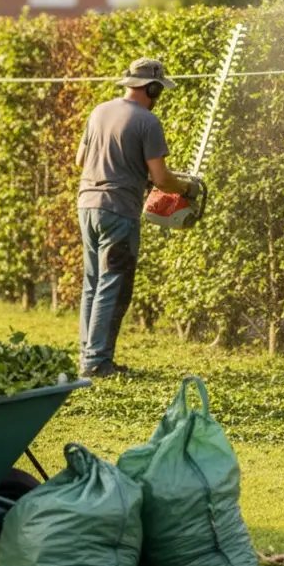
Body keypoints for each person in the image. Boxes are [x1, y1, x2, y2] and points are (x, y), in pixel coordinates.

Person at [75, 58, 197, 378]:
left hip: (87, 205)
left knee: (93, 282)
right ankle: (98, 362)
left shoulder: (99, 111)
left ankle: (88, 355)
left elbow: (80, 159)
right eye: (160, 90)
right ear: (152, 88)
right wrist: (185, 185)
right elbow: (161, 179)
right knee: (113, 284)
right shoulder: (147, 121)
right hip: (118, 211)